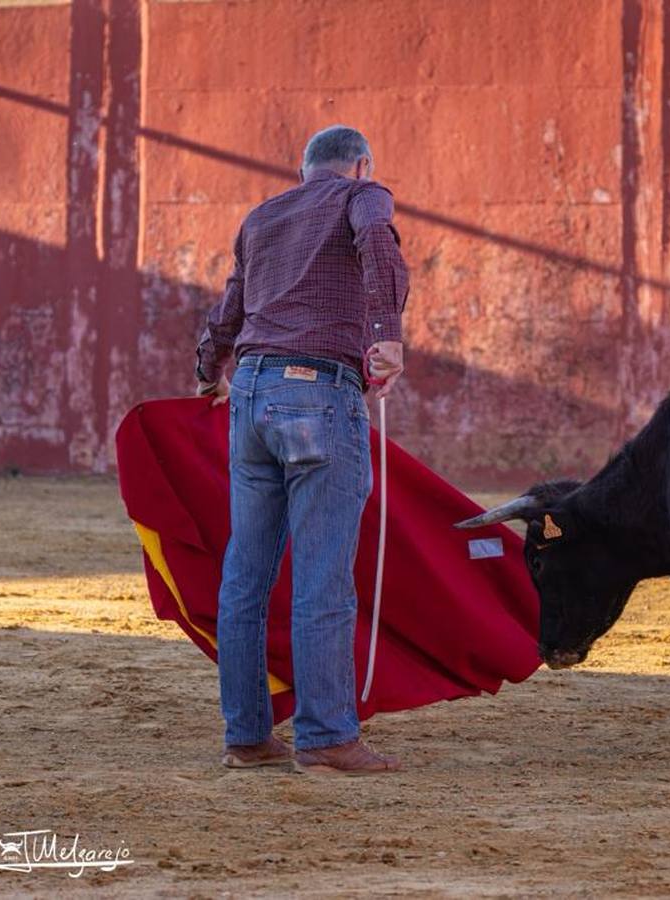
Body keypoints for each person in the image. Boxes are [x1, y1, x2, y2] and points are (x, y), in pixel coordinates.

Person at [194, 125, 409, 775]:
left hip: (250, 398)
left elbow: (232, 301)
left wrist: (209, 369)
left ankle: (247, 736)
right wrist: (387, 335)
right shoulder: (361, 197)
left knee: (245, 578)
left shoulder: (262, 216)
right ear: (361, 165)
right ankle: (325, 739)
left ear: (304, 167)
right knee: (321, 577)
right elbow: (378, 242)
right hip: (317, 394)